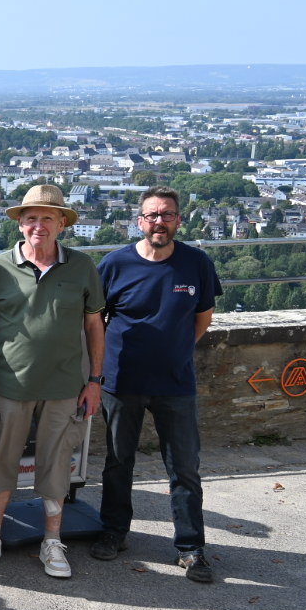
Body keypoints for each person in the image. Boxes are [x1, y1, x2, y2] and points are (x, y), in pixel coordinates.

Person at [0, 184, 106, 580]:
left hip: (65, 385)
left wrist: (95, 380)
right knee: (1, 460)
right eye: (30, 217)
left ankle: (52, 541)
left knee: (56, 465)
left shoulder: (83, 267)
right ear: (20, 224)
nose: (38, 225)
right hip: (8, 383)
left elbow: (95, 326)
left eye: (47, 217)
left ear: (62, 223)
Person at [92, 186, 223, 583]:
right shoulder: (115, 264)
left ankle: (190, 547)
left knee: (184, 468)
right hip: (121, 380)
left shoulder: (196, 263)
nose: (159, 222)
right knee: (118, 463)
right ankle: (114, 532)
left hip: (175, 383)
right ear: (140, 221)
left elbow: (204, 317)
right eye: (152, 215)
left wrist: (177, 350)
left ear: (179, 220)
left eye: (167, 215)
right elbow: (95, 322)